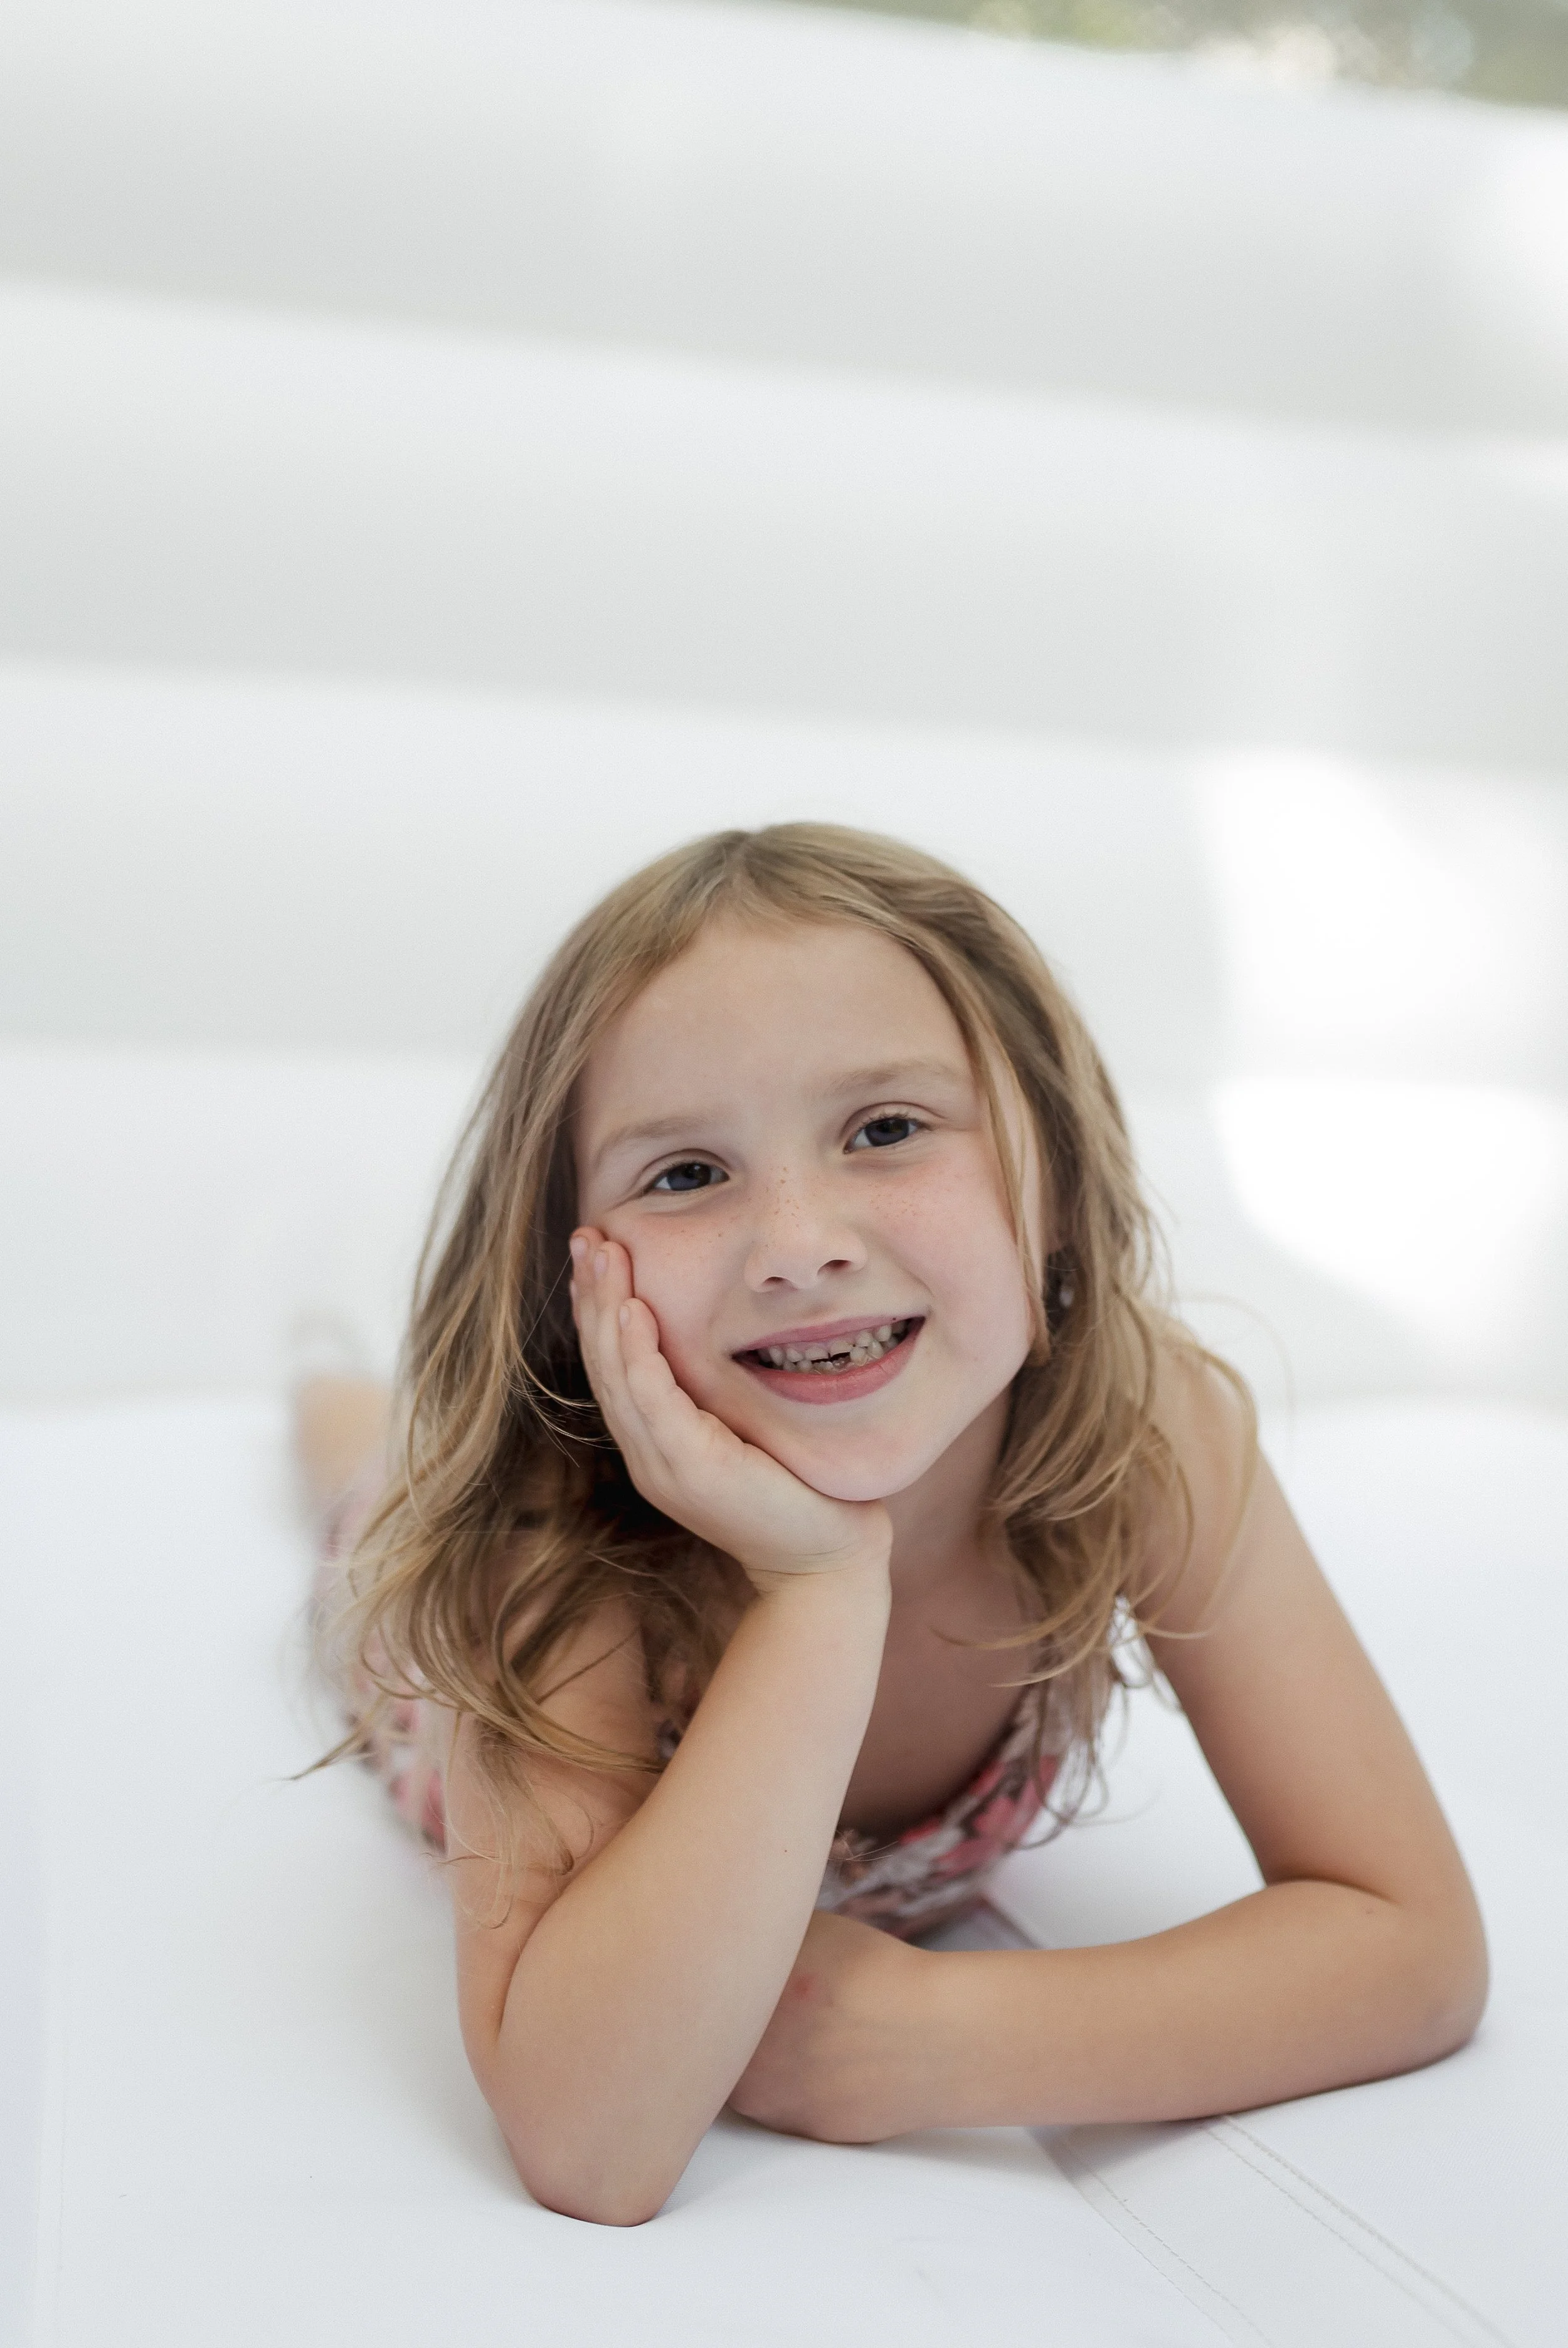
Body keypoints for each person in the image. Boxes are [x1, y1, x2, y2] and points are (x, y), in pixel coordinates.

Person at [300, 822, 1486, 2228]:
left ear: (1051, 1176)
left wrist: (942, 2036)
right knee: (370, 1506)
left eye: (885, 1130)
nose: (798, 1243)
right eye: (683, 1173)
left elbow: (1411, 1946)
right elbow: (587, 2139)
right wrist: (814, 1588)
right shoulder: (544, 1542)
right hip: (431, 1684)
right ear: (570, 1280)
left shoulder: (1150, 1432)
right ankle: (323, 1386)